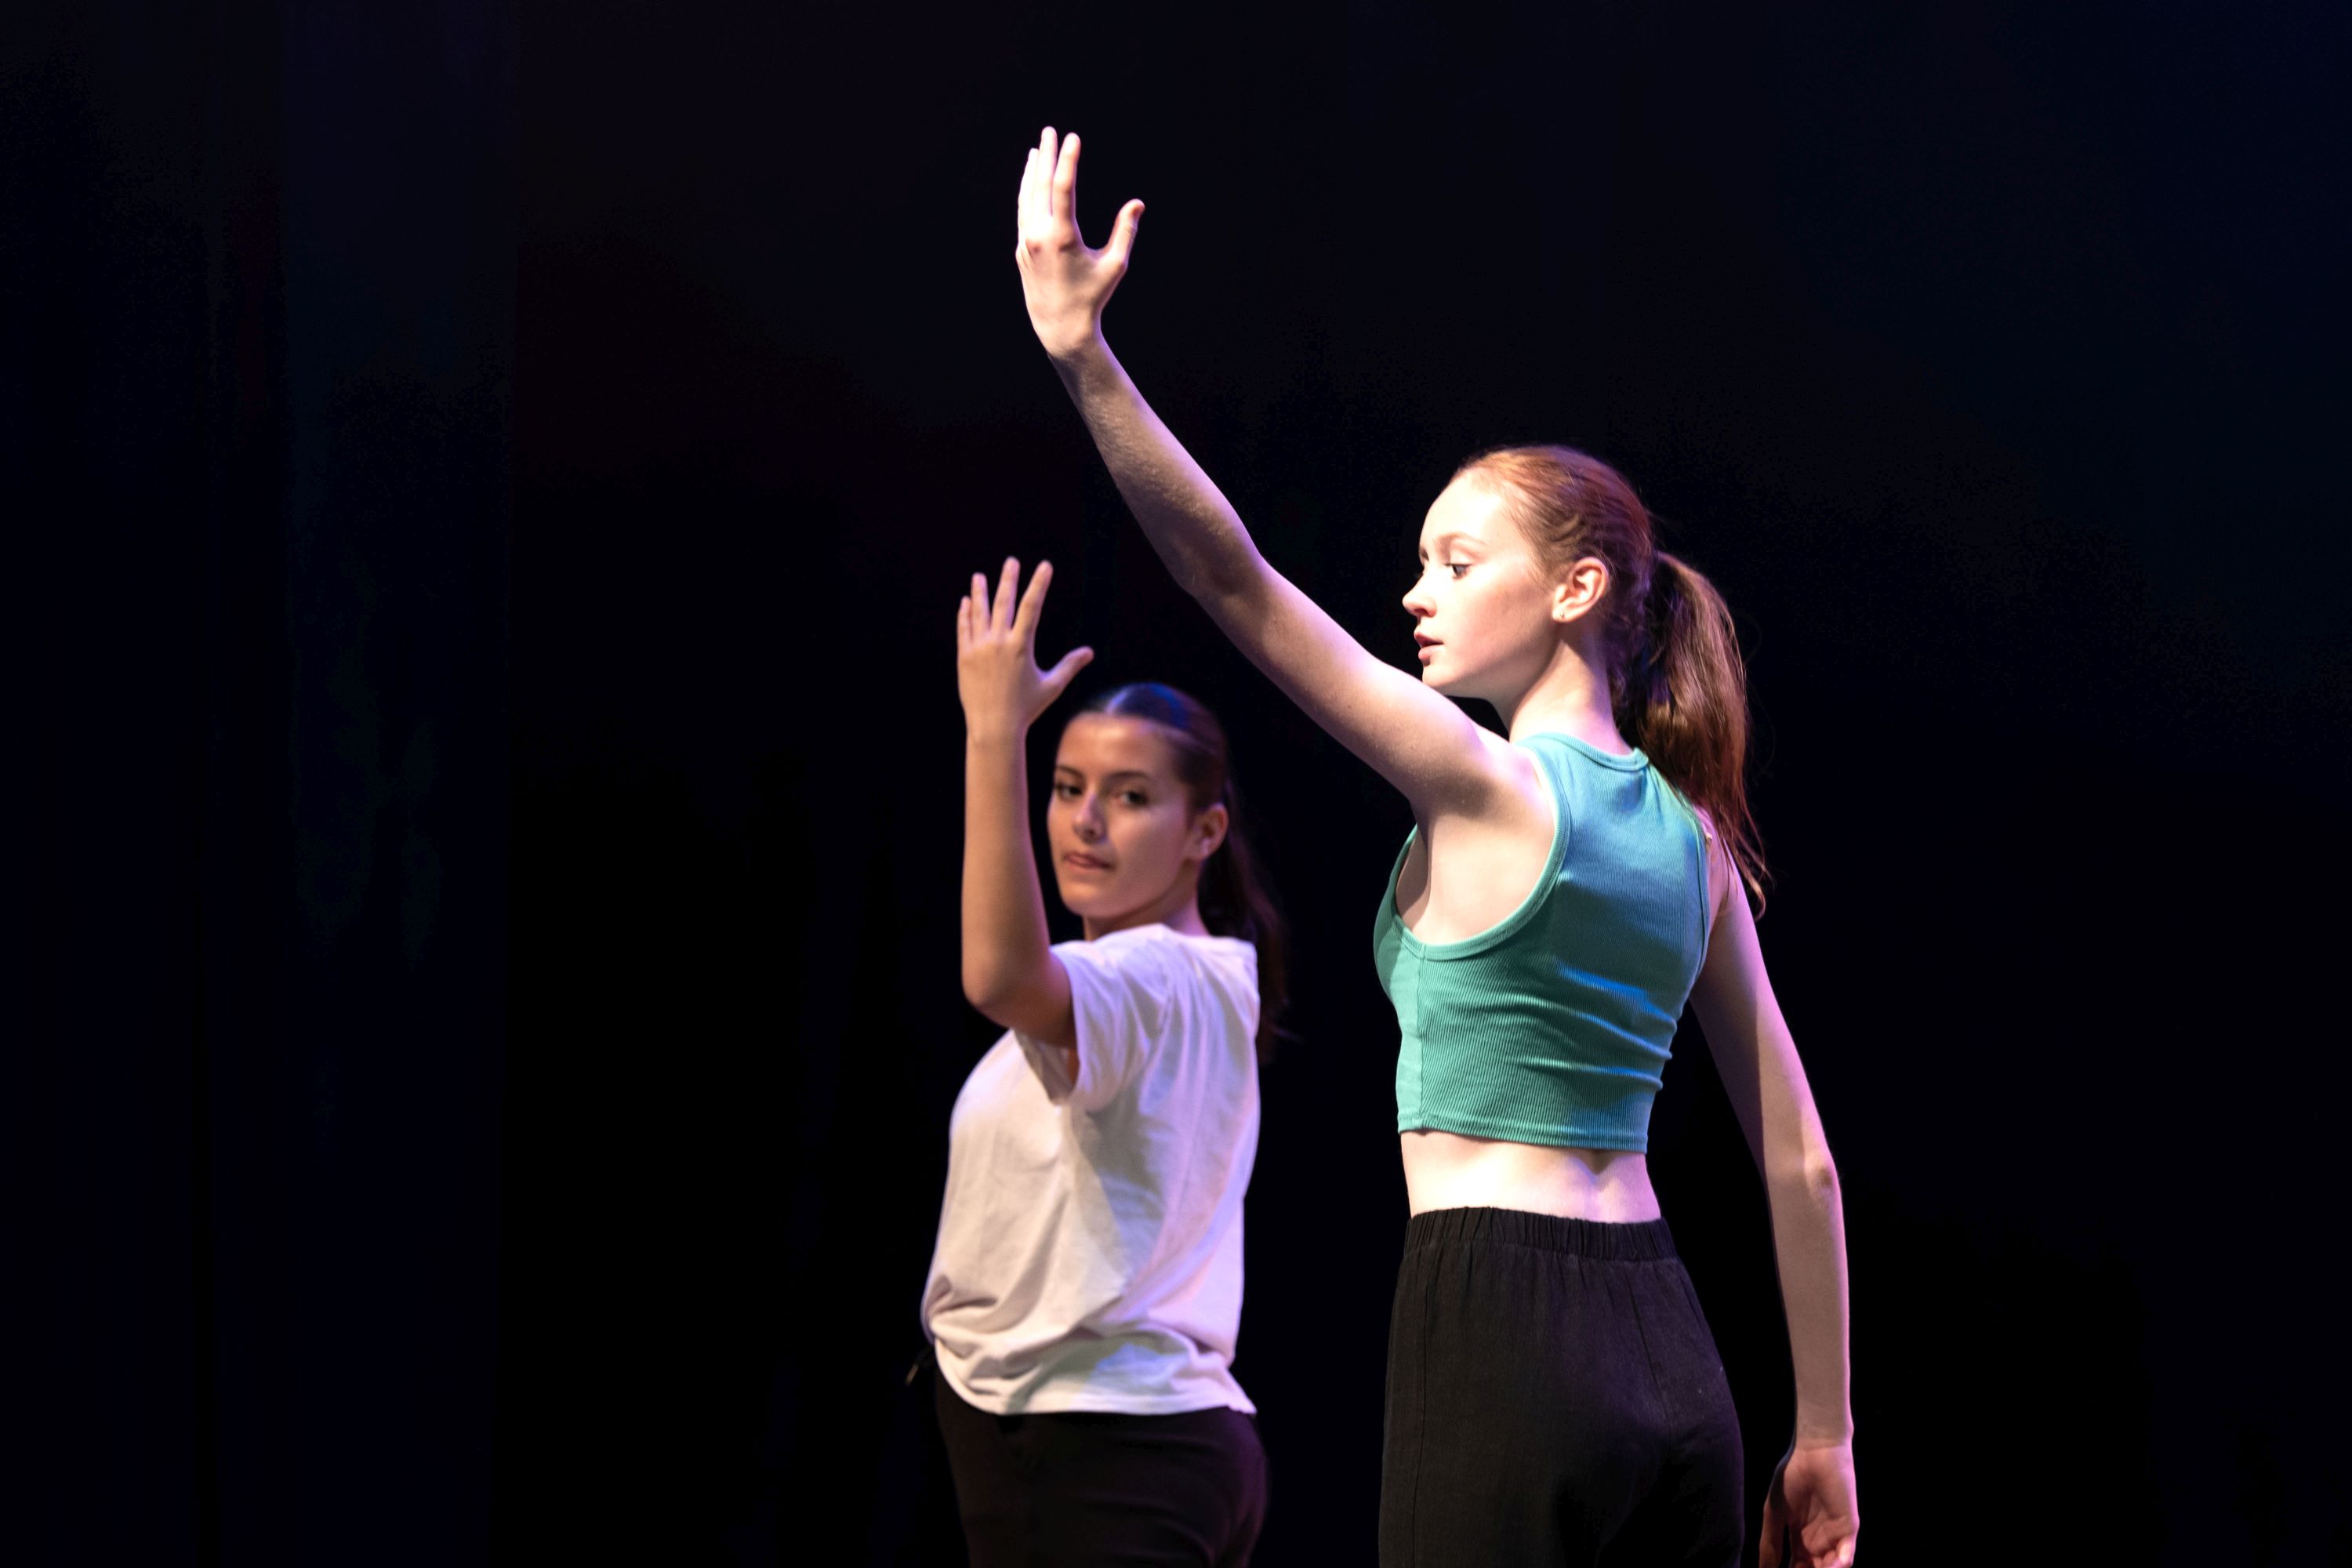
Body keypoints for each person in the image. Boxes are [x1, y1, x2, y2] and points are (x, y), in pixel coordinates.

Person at [1010, 127, 1859, 1568]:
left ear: (1577, 588)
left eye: (1459, 563)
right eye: (1419, 563)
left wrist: (1086, 360)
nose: (1419, 594)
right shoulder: (1700, 842)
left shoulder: (1486, 783)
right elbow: (1804, 1160)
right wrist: (1824, 1434)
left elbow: (1232, 579)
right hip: (1680, 1358)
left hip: (1510, 1328)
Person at [921, 557, 1284, 1565]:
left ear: (1204, 830)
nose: (1086, 820)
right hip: (1114, 1446)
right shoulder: (1160, 981)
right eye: (1067, 787)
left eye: (1129, 796)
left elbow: (1000, 972)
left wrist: (995, 732)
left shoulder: (1156, 975)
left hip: (1106, 1451)